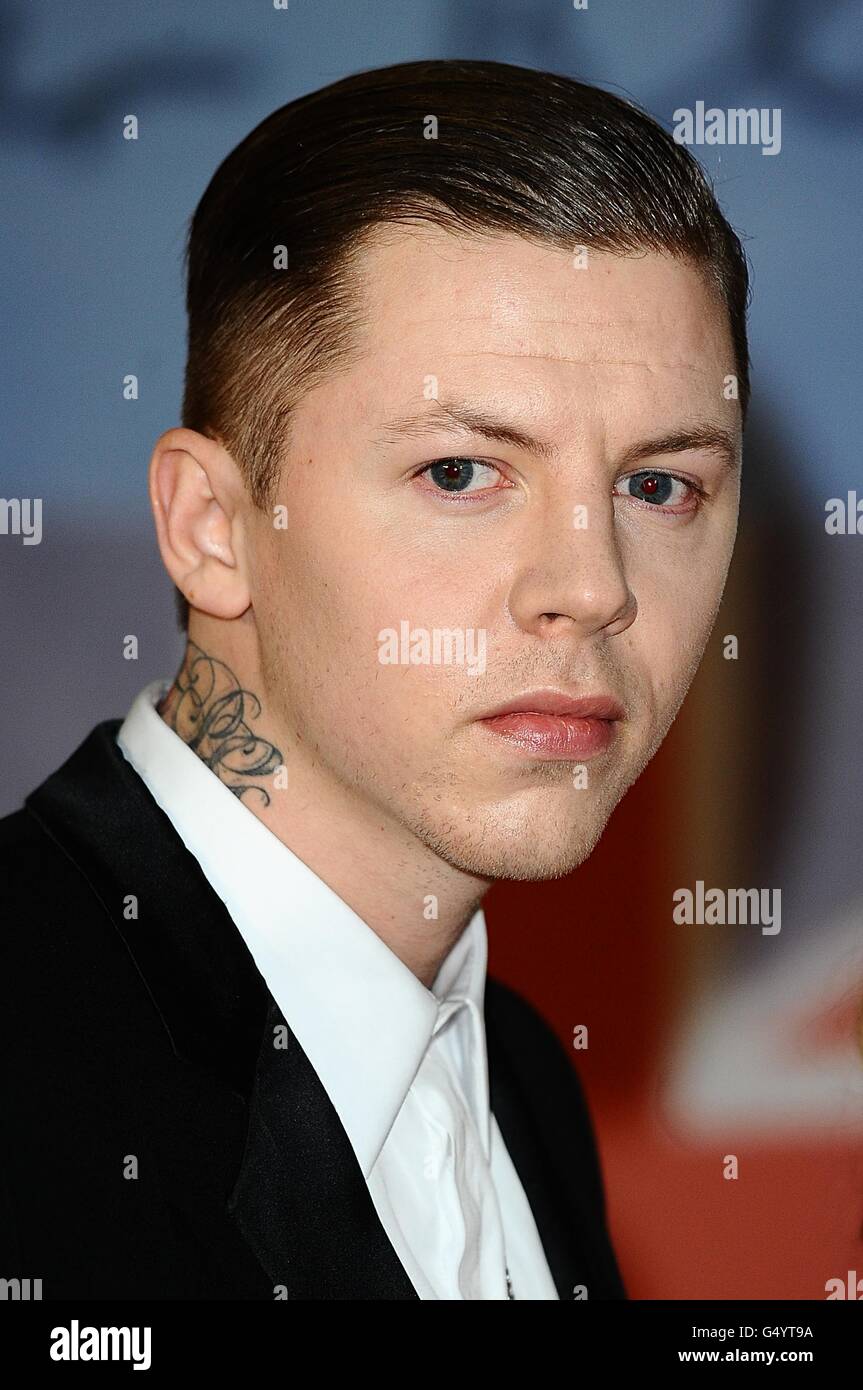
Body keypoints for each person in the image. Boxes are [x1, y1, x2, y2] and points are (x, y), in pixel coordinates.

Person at [0, 58, 748, 1300]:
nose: (592, 584)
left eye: (655, 485)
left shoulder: (516, 1077)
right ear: (210, 527)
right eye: (459, 471)